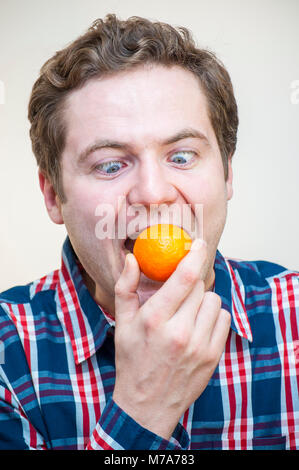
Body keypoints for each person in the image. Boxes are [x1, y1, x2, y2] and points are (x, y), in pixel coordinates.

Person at [0, 14, 298, 451]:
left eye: (181, 156)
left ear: (227, 174)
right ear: (52, 195)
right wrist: (143, 411)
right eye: (110, 164)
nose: (154, 194)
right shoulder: (9, 357)